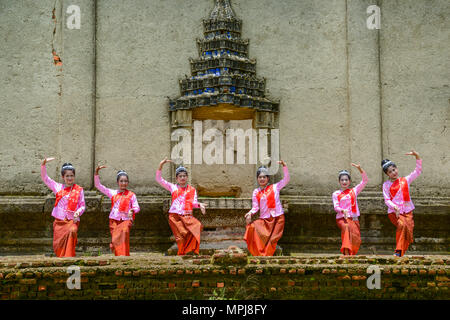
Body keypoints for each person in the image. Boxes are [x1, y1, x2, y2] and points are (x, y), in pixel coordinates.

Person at [156, 158, 207, 255]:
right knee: (181, 237)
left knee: (197, 226)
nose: (182, 178)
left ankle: (188, 251)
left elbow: (193, 202)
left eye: (184, 176)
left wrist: (199, 205)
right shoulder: (173, 187)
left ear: (187, 177)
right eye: (180, 176)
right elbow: (159, 179)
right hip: (174, 216)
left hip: (187, 216)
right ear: (177, 178)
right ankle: (182, 255)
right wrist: (161, 165)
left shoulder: (192, 190)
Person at [40, 157, 85, 257]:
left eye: (72, 176)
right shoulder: (58, 187)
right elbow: (45, 178)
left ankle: (69, 256)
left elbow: (82, 205)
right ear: (63, 177)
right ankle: (61, 259)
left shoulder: (79, 190)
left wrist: (78, 212)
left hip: (72, 220)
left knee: (72, 231)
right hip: (59, 220)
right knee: (59, 244)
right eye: (67, 176)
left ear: (74, 176)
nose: (69, 178)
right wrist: (43, 165)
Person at [244, 161, 290, 256]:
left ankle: (267, 256)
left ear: (267, 178)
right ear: (257, 179)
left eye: (264, 177)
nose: (262, 179)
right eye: (260, 177)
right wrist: (249, 213)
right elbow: (255, 207)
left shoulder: (275, 187)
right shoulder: (256, 192)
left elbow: (286, 180)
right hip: (265, 219)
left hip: (278, 218)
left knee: (273, 239)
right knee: (252, 227)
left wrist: (284, 166)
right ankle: (259, 254)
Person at [382, 150, 422, 257]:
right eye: (390, 172)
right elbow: (387, 200)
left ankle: (401, 252)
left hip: (407, 211)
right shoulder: (386, 185)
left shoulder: (405, 180)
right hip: (394, 212)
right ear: (387, 174)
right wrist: (394, 207)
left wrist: (417, 156)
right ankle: (398, 251)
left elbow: (417, 171)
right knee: (402, 225)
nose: (393, 173)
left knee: (408, 229)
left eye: (394, 170)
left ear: (397, 169)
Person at [94, 165, 140, 256]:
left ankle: (123, 255)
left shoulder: (131, 195)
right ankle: (117, 252)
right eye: (121, 181)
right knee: (115, 239)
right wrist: (96, 173)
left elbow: (137, 207)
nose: (123, 183)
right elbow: (98, 186)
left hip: (126, 220)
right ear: (117, 182)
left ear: (128, 182)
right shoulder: (113, 193)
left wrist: (132, 210)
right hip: (114, 220)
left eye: (125, 181)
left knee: (124, 232)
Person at [332, 163, 368, 255]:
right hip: (342, 218)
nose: (344, 182)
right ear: (339, 181)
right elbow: (336, 207)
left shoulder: (354, 191)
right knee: (346, 227)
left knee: (356, 238)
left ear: (349, 181)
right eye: (342, 180)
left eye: (346, 180)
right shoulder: (336, 193)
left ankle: (351, 253)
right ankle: (346, 252)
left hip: (353, 218)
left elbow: (365, 181)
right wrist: (342, 210)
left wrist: (360, 169)